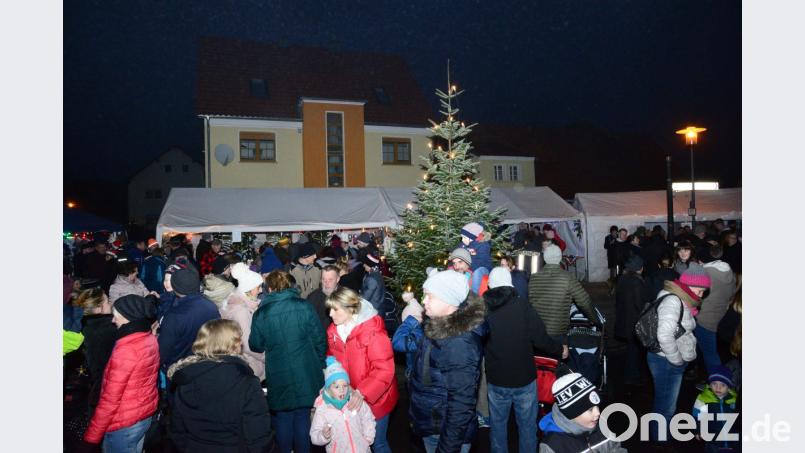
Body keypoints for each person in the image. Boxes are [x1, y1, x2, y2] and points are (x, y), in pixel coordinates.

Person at [484, 267, 566, 453]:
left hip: (496, 379)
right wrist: (559, 349)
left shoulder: (483, 310)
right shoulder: (522, 306)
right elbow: (541, 338)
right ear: (510, 284)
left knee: (498, 427)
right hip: (524, 379)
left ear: (490, 285)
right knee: (528, 427)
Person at [408, 270, 487, 453]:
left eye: (430, 296)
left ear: (449, 300)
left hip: (443, 431)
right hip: (433, 422)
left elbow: (461, 404)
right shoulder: (438, 324)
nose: (424, 301)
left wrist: (447, 448)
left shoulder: (459, 343)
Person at [168, 319, 274, 452]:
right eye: (238, 339)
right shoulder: (246, 382)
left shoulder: (185, 378)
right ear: (230, 345)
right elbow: (258, 434)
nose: (241, 343)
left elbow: (177, 429)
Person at [250, 270, 327, 453]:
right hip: (305, 370)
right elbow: (319, 339)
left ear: (269, 288)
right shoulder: (304, 306)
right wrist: (320, 363)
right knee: (302, 416)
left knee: (283, 417)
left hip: (278, 372)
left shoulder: (261, 313)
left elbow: (255, 345)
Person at [82, 295, 160, 452]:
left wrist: (92, 437)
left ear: (127, 318)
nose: (112, 320)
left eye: (116, 316)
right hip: (143, 415)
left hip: (124, 424)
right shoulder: (149, 337)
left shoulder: (126, 350)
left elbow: (110, 400)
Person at [325, 287, 398, 453]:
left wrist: (362, 392)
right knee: (358, 443)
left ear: (350, 309)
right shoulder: (334, 332)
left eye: (335, 309)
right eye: (330, 309)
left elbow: (384, 369)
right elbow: (332, 359)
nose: (330, 314)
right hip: (351, 398)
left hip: (377, 398)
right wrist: (332, 379)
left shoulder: (372, 331)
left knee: (377, 443)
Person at [647, 263, 711, 442]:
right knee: (666, 406)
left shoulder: (680, 298)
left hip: (664, 358)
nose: (701, 295)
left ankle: (658, 435)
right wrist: (676, 360)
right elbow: (664, 334)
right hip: (665, 360)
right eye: (700, 290)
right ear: (689, 285)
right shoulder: (674, 301)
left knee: (663, 401)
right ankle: (660, 440)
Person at [538, 369, 627, 452]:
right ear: (572, 413)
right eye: (590, 409)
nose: (598, 413)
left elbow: (615, 448)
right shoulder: (553, 446)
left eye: (597, 406)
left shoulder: (602, 427)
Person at [528, 245, 601, 341]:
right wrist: (596, 321)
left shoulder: (533, 277)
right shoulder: (568, 277)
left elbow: (530, 302)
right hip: (557, 331)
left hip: (537, 330)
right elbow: (584, 302)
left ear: (544, 258)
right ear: (560, 258)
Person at [157, 268, 221, 372]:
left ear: (175, 287)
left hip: (179, 369)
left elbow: (163, 351)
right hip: (206, 363)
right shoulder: (211, 306)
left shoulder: (174, 316)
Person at [310, 357, 377, 453]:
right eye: (336, 387)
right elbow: (314, 436)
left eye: (345, 385)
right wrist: (323, 436)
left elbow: (368, 417)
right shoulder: (322, 409)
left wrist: (368, 438)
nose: (342, 390)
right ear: (328, 388)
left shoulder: (354, 400)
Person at [75, 286, 118, 417]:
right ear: (99, 308)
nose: (111, 303)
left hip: (85, 383)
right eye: (107, 301)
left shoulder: (81, 325)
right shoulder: (110, 328)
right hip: (104, 388)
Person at [220, 262, 266, 380]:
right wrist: (266, 357)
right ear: (248, 289)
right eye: (258, 287)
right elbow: (247, 344)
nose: (261, 290)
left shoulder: (244, 304)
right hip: (251, 364)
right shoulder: (241, 311)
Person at [696, 245, 737, 375]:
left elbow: (696, 297)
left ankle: (717, 382)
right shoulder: (728, 270)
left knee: (710, 354)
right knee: (713, 351)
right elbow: (732, 293)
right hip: (721, 316)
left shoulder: (705, 273)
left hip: (705, 319)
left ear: (701, 260)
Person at [615, 255, 652, 385]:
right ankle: (631, 376)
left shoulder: (622, 279)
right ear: (640, 268)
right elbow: (640, 304)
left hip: (624, 319)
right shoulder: (637, 282)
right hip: (633, 322)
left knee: (632, 349)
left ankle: (630, 374)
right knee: (634, 350)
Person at [692, 366, 739, 452]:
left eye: (722, 385)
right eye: (714, 384)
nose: (718, 388)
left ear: (728, 387)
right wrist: (698, 430)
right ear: (710, 385)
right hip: (713, 440)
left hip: (732, 440)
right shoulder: (703, 399)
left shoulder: (733, 400)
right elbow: (697, 416)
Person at [391, 290, 424, 377]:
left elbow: (397, 343)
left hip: (416, 375)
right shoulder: (419, 331)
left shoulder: (417, 334)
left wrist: (409, 322)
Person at [459, 222, 492, 294]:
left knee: (477, 272)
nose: (462, 240)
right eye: (462, 237)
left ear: (472, 237)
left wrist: (468, 266)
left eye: (464, 237)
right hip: (470, 266)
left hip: (483, 267)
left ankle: (474, 295)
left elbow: (480, 263)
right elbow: (459, 253)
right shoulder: (465, 244)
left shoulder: (483, 245)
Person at [307, 265, 340, 331]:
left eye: (330, 280)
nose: (326, 283)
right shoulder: (313, 297)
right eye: (323, 279)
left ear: (337, 279)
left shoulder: (345, 296)